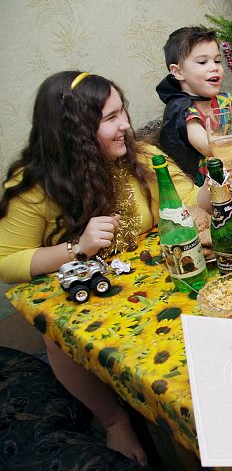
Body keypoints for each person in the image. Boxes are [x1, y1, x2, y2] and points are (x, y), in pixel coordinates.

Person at [0, 71, 208, 465]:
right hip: (93, 303)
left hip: (152, 288)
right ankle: (115, 422)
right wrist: (75, 248)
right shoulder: (36, 185)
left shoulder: (142, 157)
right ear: (73, 129)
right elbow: (6, 263)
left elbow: (187, 204)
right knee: (55, 335)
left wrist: (222, 176)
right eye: (111, 118)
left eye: (122, 112)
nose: (126, 124)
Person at [156, 26, 232, 185]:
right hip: (206, 193)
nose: (214, 67)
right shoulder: (183, 111)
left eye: (217, 60)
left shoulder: (227, 101)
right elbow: (209, 147)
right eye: (202, 62)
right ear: (178, 72)